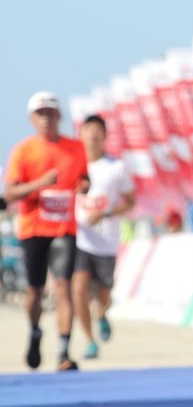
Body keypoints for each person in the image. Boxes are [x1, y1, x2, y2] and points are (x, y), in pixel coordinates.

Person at [3, 92, 89, 371]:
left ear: (59, 116)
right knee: (35, 291)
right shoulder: (23, 151)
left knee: (63, 285)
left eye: (51, 113)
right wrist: (40, 183)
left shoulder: (76, 148)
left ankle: (64, 351)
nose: (46, 118)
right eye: (41, 114)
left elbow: (84, 177)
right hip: (33, 229)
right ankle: (35, 332)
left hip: (64, 227)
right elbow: (10, 192)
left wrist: (84, 185)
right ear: (32, 118)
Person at [72, 114, 136, 359]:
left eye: (98, 130)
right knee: (78, 288)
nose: (93, 134)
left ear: (105, 136)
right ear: (81, 134)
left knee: (104, 295)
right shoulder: (74, 166)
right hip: (80, 239)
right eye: (88, 129)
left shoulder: (116, 168)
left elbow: (131, 201)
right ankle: (89, 341)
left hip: (107, 243)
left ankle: (102, 313)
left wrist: (105, 213)